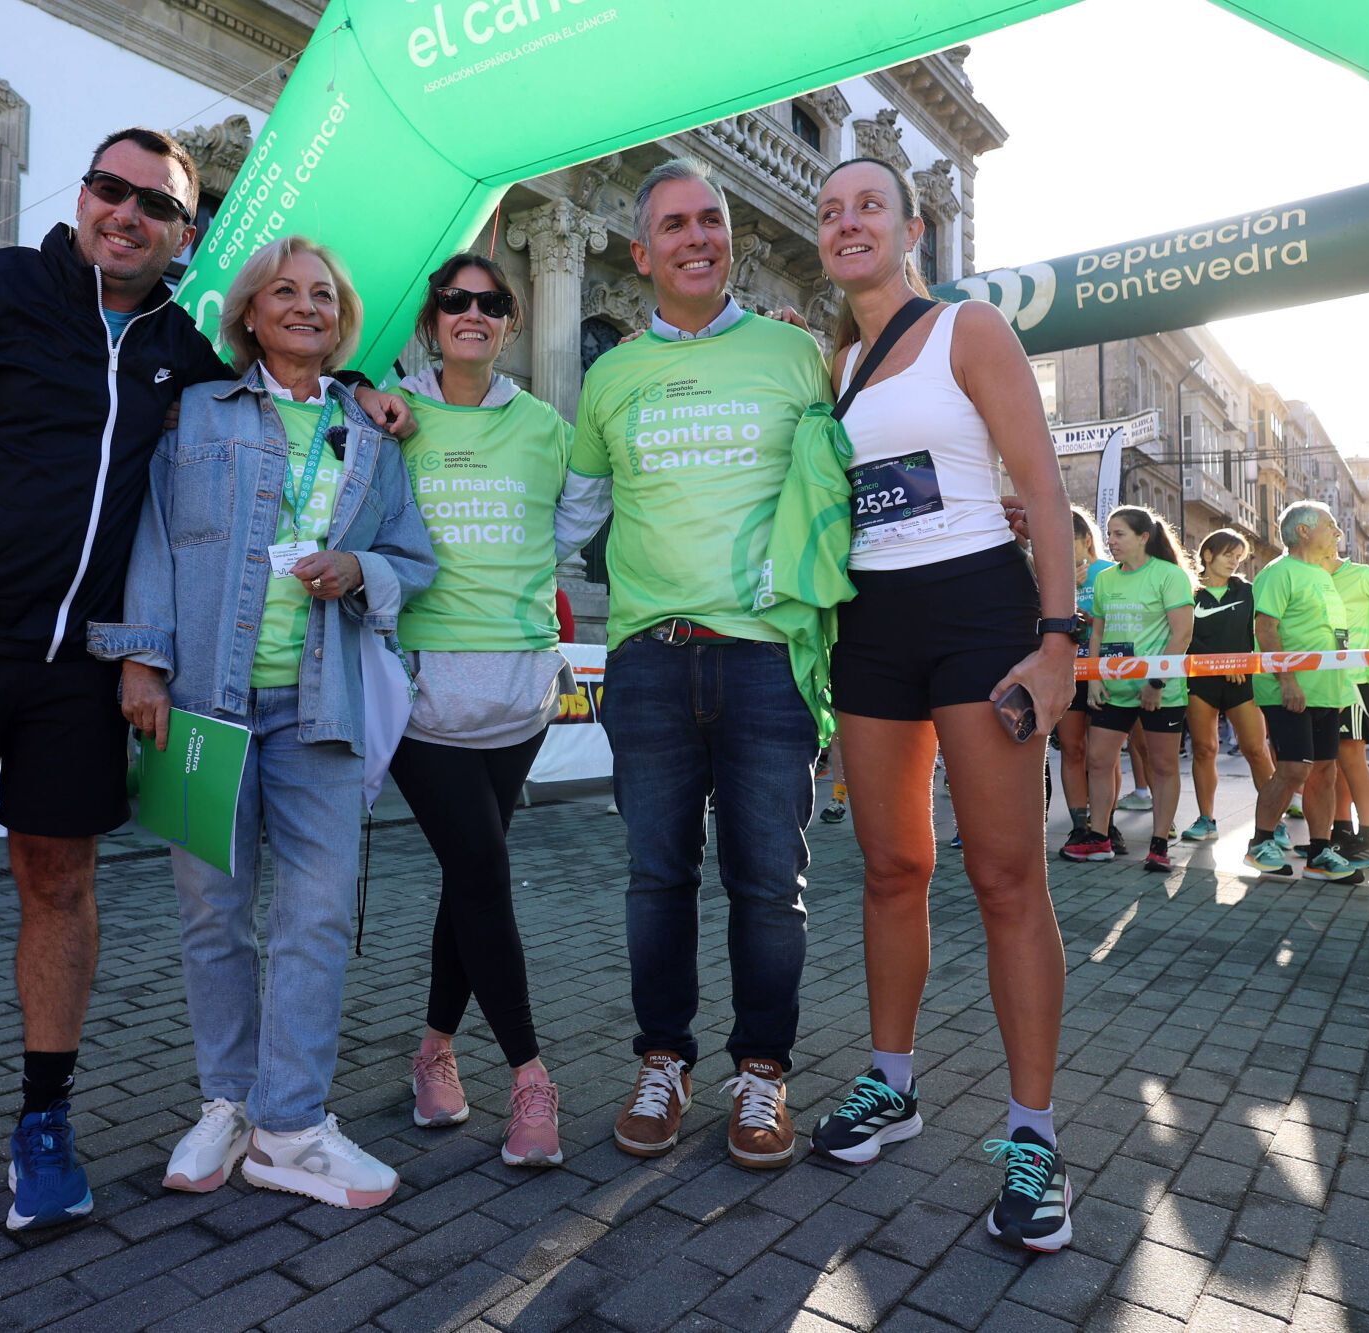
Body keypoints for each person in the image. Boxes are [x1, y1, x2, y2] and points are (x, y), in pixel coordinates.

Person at [0, 129, 415, 1233]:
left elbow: (282, 390)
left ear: (182, 234)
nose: (126, 213)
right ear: (83, 198)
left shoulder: (182, 355)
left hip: (81, 664)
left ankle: (45, 1122)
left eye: (154, 204)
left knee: (58, 883)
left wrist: (363, 385)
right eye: (109, 189)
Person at [93, 235, 435, 1207]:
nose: (305, 306)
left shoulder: (371, 433)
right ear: (248, 312)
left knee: (315, 914)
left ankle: (289, 1121)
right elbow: (150, 537)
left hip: (320, 706)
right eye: (283, 291)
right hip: (201, 702)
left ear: (343, 318)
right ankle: (228, 1101)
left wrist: (363, 569)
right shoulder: (192, 414)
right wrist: (141, 666)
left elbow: (412, 555)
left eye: (322, 294)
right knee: (210, 913)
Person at [796, 157, 1077, 1253]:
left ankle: (1033, 1134)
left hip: (975, 611)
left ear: (911, 228)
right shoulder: (832, 361)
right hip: (872, 621)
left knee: (1003, 874)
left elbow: (1041, 489)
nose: (845, 221)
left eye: (868, 204)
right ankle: (891, 1081)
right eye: (829, 211)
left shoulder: (968, 331)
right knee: (887, 866)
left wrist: (1056, 645)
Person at [558, 158, 828, 1171]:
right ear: (642, 253)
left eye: (708, 220)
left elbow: (842, 486)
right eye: (672, 225)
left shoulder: (796, 356)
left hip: (765, 660)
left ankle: (761, 1072)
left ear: (729, 239)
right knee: (655, 878)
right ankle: (661, 1062)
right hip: (647, 663)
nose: (694, 237)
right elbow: (572, 517)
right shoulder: (608, 375)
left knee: (768, 885)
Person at [385, 251, 574, 1167]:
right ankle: (530, 1076)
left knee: (472, 875)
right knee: (485, 872)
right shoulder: (389, 416)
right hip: (419, 696)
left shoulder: (545, 426)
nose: (472, 313)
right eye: (454, 300)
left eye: (490, 303)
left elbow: (573, 523)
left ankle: (433, 1051)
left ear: (508, 323)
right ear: (431, 321)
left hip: (517, 695)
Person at [1240, 503, 1364, 884]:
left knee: (1325, 771)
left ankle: (1320, 851)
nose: (1338, 533)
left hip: (1328, 689)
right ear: (1305, 531)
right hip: (1289, 690)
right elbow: (1267, 629)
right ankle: (1260, 843)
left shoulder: (1321, 574)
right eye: (1331, 525)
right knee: (1295, 768)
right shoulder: (1278, 573)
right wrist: (1288, 680)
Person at [1067, 507, 1194, 872]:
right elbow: (1100, 633)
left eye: (1119, 534)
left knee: (1163, 765)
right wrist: (1094, 678)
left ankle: (1158, 846)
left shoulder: (1169, 576)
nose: (1111, 541)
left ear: (1143, 538)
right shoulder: (1106, 578)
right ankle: (1099, 837)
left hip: (1160, 691)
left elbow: (1181, 634)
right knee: (1098, 760)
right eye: (1109, 534)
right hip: (1114, 690)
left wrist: (1156, 683)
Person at [1182, 529, 1274, 843]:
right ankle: (1206, 820)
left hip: (1241, 681)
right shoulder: (1188, 590)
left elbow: (1261, 633)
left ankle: (1274, 823)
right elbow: (1183, 637)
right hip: (1200, 681)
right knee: (1204, 749)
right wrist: (1222, 662)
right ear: (1207, 555)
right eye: (1228, 555)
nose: (1234, 562)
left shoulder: (1247, 591)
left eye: (1238, 557)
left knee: (1256, 750)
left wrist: (1240, 662)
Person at [1321, 541, 1369, 868]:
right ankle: (1343, 831)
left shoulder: (1363, 575)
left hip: (1356, 681)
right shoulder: (1304, 576)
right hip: (1319, 682)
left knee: (1352, 758)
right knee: (1332, 760)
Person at [1057, 507, 1118, 851]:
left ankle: (1105, 825)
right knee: (1072, 748)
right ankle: (1080, 826)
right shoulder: (1053, 576)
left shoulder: (1108, 572)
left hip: (1104, 672)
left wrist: (1089, 617)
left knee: (1102, 755)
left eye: (1067, 540)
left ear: (1084, 539)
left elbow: (1118, 621)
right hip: (1066, 671)